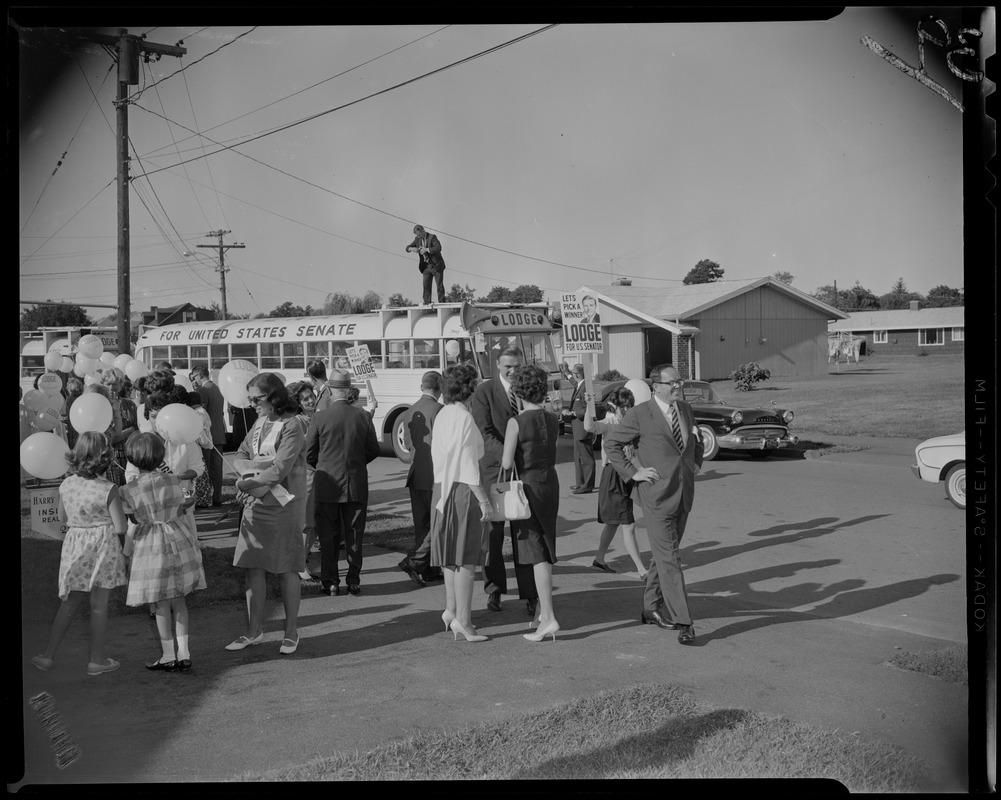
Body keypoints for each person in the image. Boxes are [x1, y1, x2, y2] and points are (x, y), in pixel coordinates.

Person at [604, 364, 703, 645]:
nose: (678, 387)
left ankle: (650, 606)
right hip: (656, 496)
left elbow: (692, 439)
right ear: (656, 385)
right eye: (672, 383)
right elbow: (612, 445)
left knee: (664, 554)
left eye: (679, 382)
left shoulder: (684, 409)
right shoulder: (640, 414)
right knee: (670, 558)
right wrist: (634, 473)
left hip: (684, 493)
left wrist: (696, 462)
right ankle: (684, 621)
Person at [31, 432, 127, 676]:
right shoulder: (108, 488)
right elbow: (121, 527)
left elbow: (63, 518)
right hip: (102, 547)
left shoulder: (67, 483)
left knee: (69, 604)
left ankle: (47, 656)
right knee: (98, 606)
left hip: (76, 545)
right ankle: (96, 660)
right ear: (105, 456)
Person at [227, 373, 306, 656]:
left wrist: (248, 478)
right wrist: (251, 474)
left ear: (274, 396)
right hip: (255, 503)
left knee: (287, 568)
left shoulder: (292, 425)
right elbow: (238, 455)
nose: (251, 404)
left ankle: (291, 632)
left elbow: (280, 468)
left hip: (283, 506)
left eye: (256, 398)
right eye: (249, 398)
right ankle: (254, 631)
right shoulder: (260, 423)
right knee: (253, 567)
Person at [120, 433, 206, 671]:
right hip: (177, 538)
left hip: (151, 546)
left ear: (133, 459)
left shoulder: (128, 490)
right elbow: (181, 507)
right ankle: (184, 652)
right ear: (161, 455)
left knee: (160, 604)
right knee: (179, 600)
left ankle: (168, 655)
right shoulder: (173, 481)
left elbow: (134, 518)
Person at [470, 346, 539, 616]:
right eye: (508, 366)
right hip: (495, 472)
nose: (513, 371)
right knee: (494, 535)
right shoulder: (484, 392)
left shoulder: (527, 390)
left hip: (524, 472)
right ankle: (495, 589)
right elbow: (483, 432)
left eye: (517, 366)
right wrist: (508, 455)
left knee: (524, 535)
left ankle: (530, 594)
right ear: (497, 365)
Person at [428, 364, 491, 642]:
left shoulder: (443, 413)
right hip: (463, 491)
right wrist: (485, 501)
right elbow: (469, 464)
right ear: (470, 389)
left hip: (441, 489)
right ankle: (464, 621)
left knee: (450, 559)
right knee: (466, 559)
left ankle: (451, 610)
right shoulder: (465, 417)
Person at [306, 369, 380, 596]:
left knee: (328, 535)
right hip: (355, 482)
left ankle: (330, 581)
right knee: (354, 534)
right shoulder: (363, 416)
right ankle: (354, 579)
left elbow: (309, 453)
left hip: (328, 484)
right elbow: (373, 450)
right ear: (348, 390)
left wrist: (325, 465)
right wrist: (356, 463)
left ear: (329, 389)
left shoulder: (319, 417)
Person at [501, 364, 562, 642]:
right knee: (546, 548)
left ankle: (548, 616)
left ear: (518, 391)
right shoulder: (551, 418)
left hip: (527, 487)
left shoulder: (516, 422)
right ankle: (541, 611)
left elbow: (505, 462)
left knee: (536, 553)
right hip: (550, 483)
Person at [584, 386, 648, 577]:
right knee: (628, 524)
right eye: (624, 407)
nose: (627, 410)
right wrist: (588, 405)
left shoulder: (630, 423)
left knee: (613, 523)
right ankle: (642, 570)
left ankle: (599, 559)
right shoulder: (610, 422)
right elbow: (589, 427)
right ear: (615, 406)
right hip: (613, 475)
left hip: (629, 474)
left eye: (630, 406)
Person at [130, 391, 205, 544]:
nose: (158, 421)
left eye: (162, 415)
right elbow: (130, 475)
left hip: (180, 504)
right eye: (153, 416)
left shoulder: (185, 440)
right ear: (147, 417)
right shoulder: (141, 442)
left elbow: (198, 468)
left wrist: (177, 478)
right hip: (150, 509)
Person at [397, 372, 444, 587]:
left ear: (421, 386)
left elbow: (406, 445)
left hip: (416, 473)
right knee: (437, 524)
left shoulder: (410, 410)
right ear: (440, 387)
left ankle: (429, 568)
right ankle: (416, 563)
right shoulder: (439, 410)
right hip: (435, 474)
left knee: (421, 525)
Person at [291, 382, 319, 581]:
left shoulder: (316, 417)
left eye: (311, 396)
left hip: (319, 474)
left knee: (316, 522)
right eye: (305, 398)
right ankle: (299, 564)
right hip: (305, 475)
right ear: (298, 403)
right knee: (306, 522)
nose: (311, 400)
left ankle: (302, 558)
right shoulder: (298, 421)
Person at [189, 366, 227, 507]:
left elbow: (200, 413)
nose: (194, 380)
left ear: (199, 375)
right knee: (217, 470)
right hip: (219, 434)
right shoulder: (217, 388)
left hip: (207, 436)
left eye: (193, 377)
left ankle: (206, 498)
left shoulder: (203, 391)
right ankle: (217, 497)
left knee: (206, 470)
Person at [100, 367, 138, 487]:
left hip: (130, 456)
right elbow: (110, 437)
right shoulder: (100, 405)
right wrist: (130, 430)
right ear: (102, 384)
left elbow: (138, 429)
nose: (112, 388)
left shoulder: (130, 404)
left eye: (115, 384)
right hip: (110, 458)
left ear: (121, 385)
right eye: (109, 384)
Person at [561, 365, 596, 494]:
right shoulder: (580, 384)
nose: (573, 375)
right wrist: (566, 372)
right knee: (578, 456)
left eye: (574, 372)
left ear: (579, 374)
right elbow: (574, 382)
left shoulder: (586, 386)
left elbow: (589, 408)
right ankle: (580, 483)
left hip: (582, 427)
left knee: (586, 457)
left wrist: (573, 413)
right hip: (577, 428)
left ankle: (587, 484)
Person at [186, 389, 215, 507]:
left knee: (200, 472)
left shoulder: (198, 413)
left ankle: (201, 499)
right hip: (204, 444)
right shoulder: (202, 411)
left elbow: (200, 432)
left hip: (202, 445)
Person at [406, 224, 447, 305]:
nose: (419, 237)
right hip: (426, 266)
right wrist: (411, 248)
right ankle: (427, 303)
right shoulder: (417, 239)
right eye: (417, 235)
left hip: (437, 266)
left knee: (439, 285)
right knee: (426, 285)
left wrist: (427, 249)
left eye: (419, 235)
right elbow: (407, 247)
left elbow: (438, 248)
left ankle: (442, 303)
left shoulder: (432, 237)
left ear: (423, 231)